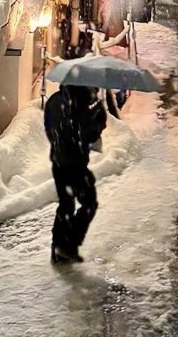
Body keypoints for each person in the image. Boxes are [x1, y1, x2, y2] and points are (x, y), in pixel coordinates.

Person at [44, 82, 107, 265]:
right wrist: (99, 120)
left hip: (58, 161)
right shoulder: (79, 104)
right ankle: (68, 245)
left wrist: (59, 145)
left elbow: (49, 129)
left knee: (66, 205)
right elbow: (88, 135)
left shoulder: (55, 100)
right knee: (89, 203)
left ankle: (58, 249)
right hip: (75, 163)